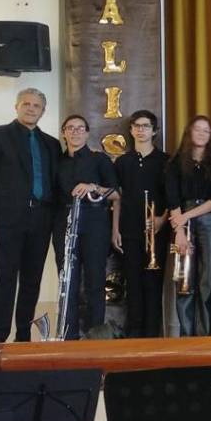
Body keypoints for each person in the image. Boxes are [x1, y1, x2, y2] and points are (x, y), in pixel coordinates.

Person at [0, 88, 61, 343]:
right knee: (5, 278)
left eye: (37, 105)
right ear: (17, 106)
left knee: (32, 280)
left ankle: (23, 335)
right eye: (26, 104)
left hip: (42, 219)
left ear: (43, 111)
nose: (31, 108)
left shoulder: (52, 144)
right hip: (8, 220)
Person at [52, 114, 118, 339]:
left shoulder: (100, 160)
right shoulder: (57, 162)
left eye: (80, 128)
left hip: (94, 224)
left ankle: (95, 338)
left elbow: (116, 193)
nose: (75, 132)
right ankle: (67, 337)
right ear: (63, 133)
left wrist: (93, 187)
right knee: (67, 282)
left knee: (94, 282)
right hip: (64, 225)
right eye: (70, 128)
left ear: (88, 133)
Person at [166, 115, 211, 336]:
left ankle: (205, 336)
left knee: (207, 279)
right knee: (184, 278)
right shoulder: (174, 164)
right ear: (189, 133)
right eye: (197, 129)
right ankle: (186, 335)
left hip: (207, 218)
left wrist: (186, 217)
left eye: (206, 130)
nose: (201, 133)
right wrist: (179, 231)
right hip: (180, 220)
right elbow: (172, 198)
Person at [111, 110, 169, 338]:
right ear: (131, 130)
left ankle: (153, 339)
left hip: (157, 233)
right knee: (133, 287)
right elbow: (117, 198)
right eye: (136, 126)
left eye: (146, 126)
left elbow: (171, 197)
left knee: (153, 287)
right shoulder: (123, 162)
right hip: (129, 231)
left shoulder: (165, 160)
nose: (141, 130)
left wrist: (161, 220)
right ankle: (134, 340)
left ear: (154, 131)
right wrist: (115, 229)